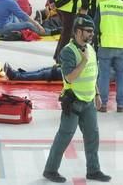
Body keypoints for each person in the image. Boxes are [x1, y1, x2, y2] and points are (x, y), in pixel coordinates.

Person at [43, 15, 111, 183]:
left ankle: (93, 170)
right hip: (73, 102)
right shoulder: (68, 51)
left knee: (92, 136)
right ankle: (50, 170)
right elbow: (70, 78)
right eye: (88, 31)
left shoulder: (90, 48)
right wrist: (84, 61)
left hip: (88, 101)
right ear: (78, 31)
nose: (91, 34)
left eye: (92, 31)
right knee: (64, 136)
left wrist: (96, 94)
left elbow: (92, 74)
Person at [94, 0, 123, 113]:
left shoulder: (103, 6)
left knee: (104, 75)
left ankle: (103, 104)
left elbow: (96, 27)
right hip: (122, 46)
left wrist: (94, 45)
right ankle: (121, 104)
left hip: (105, 45)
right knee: (121, 75)